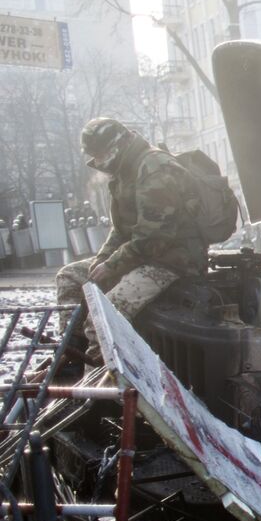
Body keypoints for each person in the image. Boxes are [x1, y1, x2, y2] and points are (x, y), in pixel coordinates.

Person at [56, 118, 210, 357]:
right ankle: (72, 354)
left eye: (100, 155)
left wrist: (113, 265)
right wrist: (103, 259)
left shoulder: (154, 169)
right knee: (69, 277)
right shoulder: (125, 172)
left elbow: (154, 236)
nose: (98, 163)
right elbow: (120, 229)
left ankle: (100, 380)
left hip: (173, 260)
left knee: (104, 319)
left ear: (116, 147)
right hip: (144, 255)